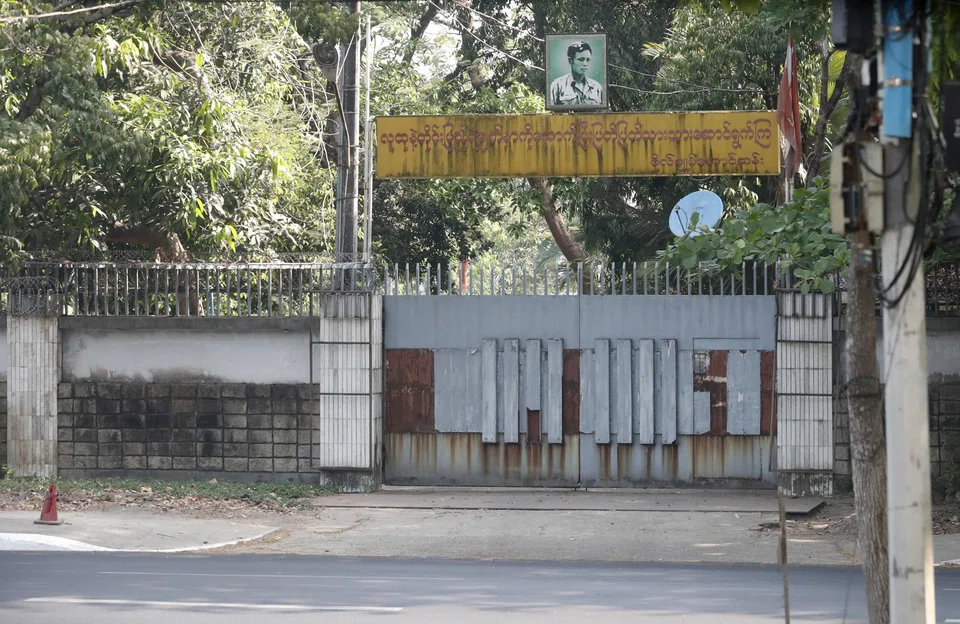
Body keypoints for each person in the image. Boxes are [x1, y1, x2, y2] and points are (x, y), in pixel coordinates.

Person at [549, 41, 604, 107]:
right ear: (570, 61)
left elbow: (602, 113)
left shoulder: (597, 87)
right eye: (581, 59)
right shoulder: (557, 85)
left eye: (588, 60)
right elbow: (552, 113)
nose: (585, 64)